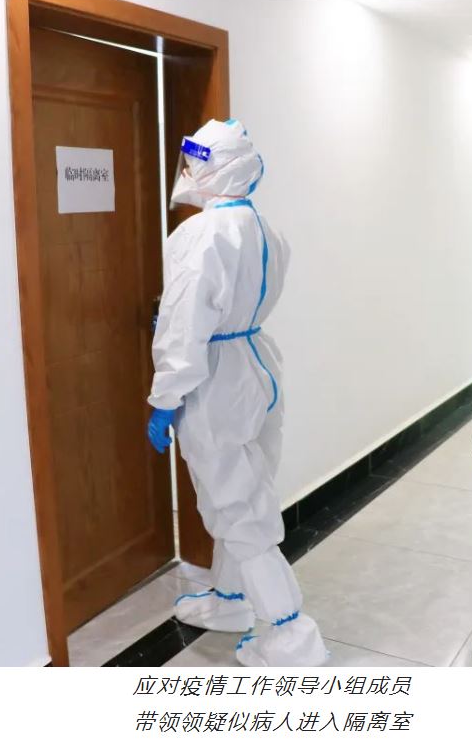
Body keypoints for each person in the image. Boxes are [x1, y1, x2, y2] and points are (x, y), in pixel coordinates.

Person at [146, 119, 329, 667]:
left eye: (192, 162)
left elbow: (184, 323)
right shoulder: (265, 229)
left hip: (215, 376)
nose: (185, 172)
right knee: (246, 488)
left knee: (236, 504)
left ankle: (291, 635)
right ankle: (231, 599)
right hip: (256, 363)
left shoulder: (200, 234)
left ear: (215, 167)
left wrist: (165, 397)